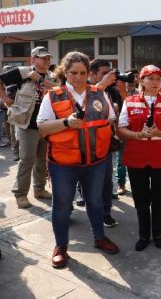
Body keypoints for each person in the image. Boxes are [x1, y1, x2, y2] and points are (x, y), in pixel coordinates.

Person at [37, 51, 119, 269]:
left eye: (83, 72)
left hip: (96, 162)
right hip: (63, 163)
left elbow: (111, 120)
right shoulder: (52, 96)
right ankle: (61, 246)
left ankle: (99, 237)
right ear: (65, 72)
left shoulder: (99, 94)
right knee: (62, 206)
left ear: (88, 72)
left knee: (95, 202)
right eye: (73, 73)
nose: (78, 77)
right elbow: (42, 127)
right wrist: (65, 123)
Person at [118, 65, 161, 251]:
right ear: (141, 81)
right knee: (141, 199)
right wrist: (137, 135)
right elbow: (120, 129)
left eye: (158, 79)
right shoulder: (129, 102)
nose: (155, 82)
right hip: (136, 158)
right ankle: (144, 234)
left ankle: (158, 233)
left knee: (160, 198)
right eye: (150, 78)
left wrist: (159, 132)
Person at [0, 47, 57, 208]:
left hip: (46, 125)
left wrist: (40, 79)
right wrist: (5, 98)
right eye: (42, 58)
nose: (46, 61)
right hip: (26, 123)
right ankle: (20, 194)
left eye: (48, 58)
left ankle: (39, 189)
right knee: (27, 159)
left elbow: (59, 91)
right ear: (33, 59)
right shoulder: (22, 71)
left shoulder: (51, 76)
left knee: (41, 159)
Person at [88, 59, 123, 228]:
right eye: (104, 73)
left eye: (110, 73)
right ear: (92, 74)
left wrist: (115, 113)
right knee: (88, 181)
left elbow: (115, 116)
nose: (109, 76)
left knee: (106, 180)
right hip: (84, 143)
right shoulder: (83, 89)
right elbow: (84, 107)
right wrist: (102, 84)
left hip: (105, 142)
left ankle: (105, 213)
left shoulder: (112, 92)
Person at [116, 69, 140, 196]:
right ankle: (121, 184)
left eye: (135, 77)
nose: (133, 80)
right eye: (130, 77)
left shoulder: (139, 94)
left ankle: (136, 183)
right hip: (121, 129)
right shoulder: (116, 91)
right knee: (121, 159)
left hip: (135, 130)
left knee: (135, 158)